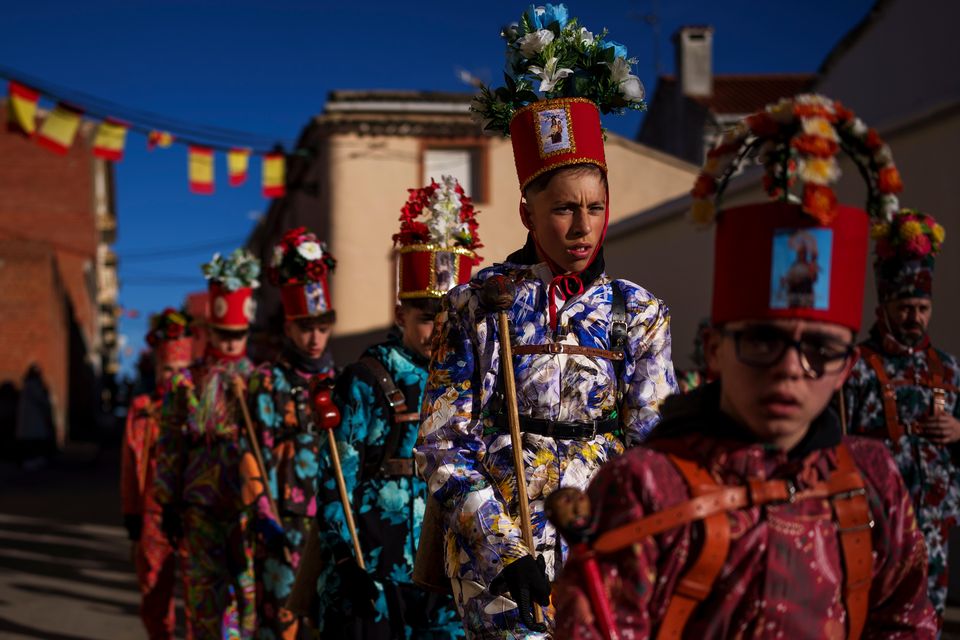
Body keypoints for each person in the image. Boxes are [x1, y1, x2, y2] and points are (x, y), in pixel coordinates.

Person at [552, 94, 937, 638]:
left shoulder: (872, 481)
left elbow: (906, 622)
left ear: (848, 367)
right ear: (713, 349)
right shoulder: (645, 488)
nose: (788, 369)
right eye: (762, 341)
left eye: (820, 350)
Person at [416, 7, 675, 636]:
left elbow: (657, 445)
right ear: (529, 212)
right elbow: (443, 443)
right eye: (562, 209)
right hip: (499, 569)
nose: (582, 226)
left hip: (604, 556)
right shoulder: (478, 305)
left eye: (595, 207)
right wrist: (506, 550)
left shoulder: (637, 313)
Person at [309, 176, 475, 639]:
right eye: (426, 318)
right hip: (377, 570)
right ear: (401, 315)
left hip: (448, 572)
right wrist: (344, 558)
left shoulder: (474, 381)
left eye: (449, 318)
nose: (438, 329)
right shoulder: (364, 380)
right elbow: (334, 477)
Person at [844, 208, 959, 622]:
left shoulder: (947, 368)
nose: (916, 317)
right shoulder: (856, 366)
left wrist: (959, 430)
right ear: (887, 305)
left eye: (923, 308)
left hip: (936, 528)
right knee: (873, 618)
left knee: (928, 620)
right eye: (907, 306)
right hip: (876, 525)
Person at [154, 248, 261, 639]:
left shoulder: (261, 380)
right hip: (199, 505)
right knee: (202, 595)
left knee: (246, 593)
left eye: (239, 336)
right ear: (211, 331)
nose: (231, 345)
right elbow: (168, 443)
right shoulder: (186, 382)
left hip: (246, 504)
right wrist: (166, 501)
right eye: (224, 335)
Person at [242, 228, 338, 639]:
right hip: (282, 522)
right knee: (280, 621)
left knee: (323, 624)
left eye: (322, 325)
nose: (314, 338)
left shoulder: (341, 381)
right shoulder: (266, 382)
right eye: (304, 327)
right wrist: (264, 517)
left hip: (331, 524)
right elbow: (252, 453)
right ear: (288, 327)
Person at [120, 309, 193, 639]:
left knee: (198, 594)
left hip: (193, 512)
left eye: (181, 370)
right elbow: (129, 465)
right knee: (153, 593)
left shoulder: (201, 408)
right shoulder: (142, 409)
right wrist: (131, 515)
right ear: (157, 369)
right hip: (153, 512)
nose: (175, 377)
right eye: (168, 370)